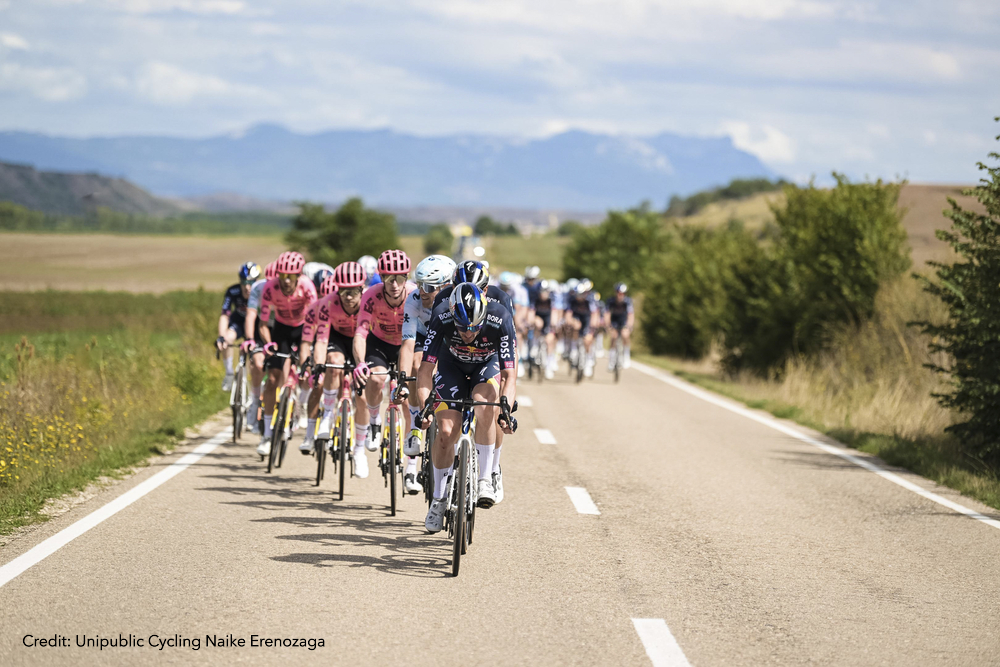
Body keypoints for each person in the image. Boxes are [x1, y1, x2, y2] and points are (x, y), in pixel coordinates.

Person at [416, 283, 517, 532]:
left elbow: (510, 374)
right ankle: (438, 499)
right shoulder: (441, 315)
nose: (469, 333)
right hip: (452, 366)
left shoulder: (499, 317)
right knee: (447, 433)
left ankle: (484, 479)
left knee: (485, 405)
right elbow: (425, 370)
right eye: (462, 328)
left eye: (474, 327)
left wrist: (505, 410)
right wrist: (424, 408)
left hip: (487, 363)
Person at [398, 254, 456, 493]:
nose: (422, 291)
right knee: (416, 363)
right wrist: (402, 380)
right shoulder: (413, 300)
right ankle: (414, 425)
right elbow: (407, 343)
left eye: (429, 287)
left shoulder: (454, 302)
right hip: (423, 339)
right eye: (419, 283)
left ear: (446, 286)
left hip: (451, 339)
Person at [352, 249, 415, 458]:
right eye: (389, 278)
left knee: (407, 401)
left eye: (399, 278)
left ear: (406, 277)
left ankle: (412, 466)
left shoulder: (414, 295)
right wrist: (360, 362)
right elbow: (361, 333)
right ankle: (374, 420)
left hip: (406, 346)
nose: (394, 284)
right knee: (376, 378)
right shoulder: (371, 295)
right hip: (379, 343)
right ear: (382, 277)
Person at [255, 251, 318, 457]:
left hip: (303, 328)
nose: (286, 281)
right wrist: (268, 344)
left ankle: (300, 400)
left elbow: (314, 320)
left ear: (299, 276)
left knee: (306, 369)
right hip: (281, 329)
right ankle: (266, 434)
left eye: (291, 277)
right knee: (272, 380)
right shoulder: (270, 288)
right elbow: (263, 324)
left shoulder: (308, 287)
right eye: (283, 276)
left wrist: (306, 351)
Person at [242, 261, 276, 435]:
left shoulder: (294, 290)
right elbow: (250, 315)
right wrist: (249, 339)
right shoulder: (257, 288)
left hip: (283, 329)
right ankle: (255, 401)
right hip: (261, 329)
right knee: (257, 362)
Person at [217, 262, 260, 391]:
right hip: (239, 322)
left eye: (251, 282)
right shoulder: (233, 291)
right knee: (227, 339)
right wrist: (221, 336)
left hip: (256, 325)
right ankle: (229, 373)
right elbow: (225, 315)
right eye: (244, 281)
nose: (247, 287)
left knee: (256, 355)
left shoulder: (262, 291)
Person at [499, 271, 530, 378]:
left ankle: (519, 359)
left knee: (517, 334)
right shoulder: (496, 286)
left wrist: (519, 324)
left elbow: (519, 308)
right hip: (500, 313)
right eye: (503, 287)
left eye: (507, 287)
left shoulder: (517, 290)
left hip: (514, 313)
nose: (505, 289)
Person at [605, 282, 635, 370]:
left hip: (623, 321)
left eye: (623, 293)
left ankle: (626, 356)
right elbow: (607, 314)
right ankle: (611, 360)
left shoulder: (628, 301)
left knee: (625, 335)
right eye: (619, 293)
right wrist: (608, 326)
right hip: (614, 321)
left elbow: (631, 315)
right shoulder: (610, 301)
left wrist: (629, 326)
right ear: (616, 292)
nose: (620, 295)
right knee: (613, 337)